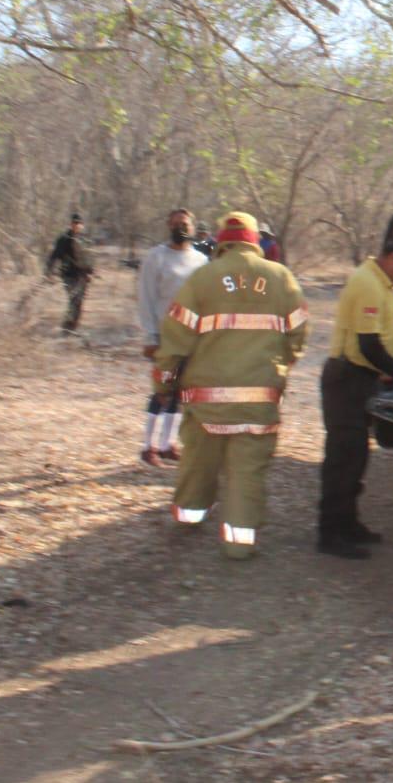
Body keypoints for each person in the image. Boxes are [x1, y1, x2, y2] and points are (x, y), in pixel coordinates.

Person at [154, 211, 309, 559]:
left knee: (199, 461)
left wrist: (164, 383)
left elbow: (175, 340)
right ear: (256, 242)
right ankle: (239, 543)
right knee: (247, 470)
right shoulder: (281, 278)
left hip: (206, 399)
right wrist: (280, 365)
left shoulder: (202, 279)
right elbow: (299, 333)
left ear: (221, 242)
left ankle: (189, 516)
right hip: (259, 397)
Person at [316, 234, 393, 559]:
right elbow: (368, 345)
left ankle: (348, 523)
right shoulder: (367, 283)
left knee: (358, 456)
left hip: (363, 379)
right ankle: (330, 533)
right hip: (346, 378)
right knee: (343, 457)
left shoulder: (388, 284)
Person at [136, 209, 207, 466]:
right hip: (164, 335)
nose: (181, 228)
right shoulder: (156, 257)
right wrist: (151, 335)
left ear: (192, 227)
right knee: (162, 390)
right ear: (169, 226)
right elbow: (146, 297)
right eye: (176, 224)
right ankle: (149, 447)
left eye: (184, 224)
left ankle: (168, 444)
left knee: (182, 391)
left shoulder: (201, 260)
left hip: (191, 336)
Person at [44, 211, 95, 333]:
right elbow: (54, 255)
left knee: (79, 302)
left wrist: (90, 272)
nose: (77, 225)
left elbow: (89, 257)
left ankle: (72, 328)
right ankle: (66, 329)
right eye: (75, 223)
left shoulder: (84, 239)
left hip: (82, 275)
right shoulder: (64, 239)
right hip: (69, 275)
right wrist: (48, 271)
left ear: (82, 224)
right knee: (74, 300)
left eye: (79, 223)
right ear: (71, 224)